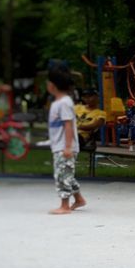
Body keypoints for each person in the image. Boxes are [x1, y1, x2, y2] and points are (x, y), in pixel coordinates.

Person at [45, 68, 86, 215]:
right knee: (67, 174)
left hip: (64, 146)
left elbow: (68, 124)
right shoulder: (59, 103)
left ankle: (65, 205)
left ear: (53, 85)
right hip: (59, 145)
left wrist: (67, 147)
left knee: (62, 175)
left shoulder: (64, 103)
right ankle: (79, 199)